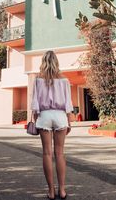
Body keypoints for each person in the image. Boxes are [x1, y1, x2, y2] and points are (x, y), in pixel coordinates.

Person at [31, 50, 73, 200]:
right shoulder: (64, 80)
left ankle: (51, 191)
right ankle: (62, 190)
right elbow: (68, 104)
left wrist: (36, 119)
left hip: (44, 115)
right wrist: (69, 121)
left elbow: (35, 104)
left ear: (43, 62)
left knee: (47, 153)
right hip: (61, 116)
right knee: (60, 153)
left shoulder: (37, 80)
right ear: (56, 62)